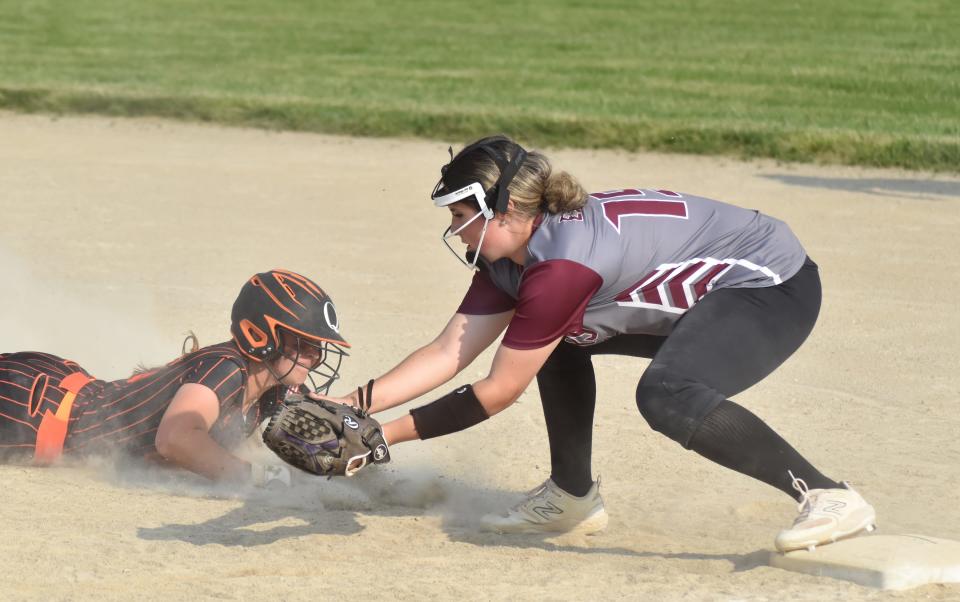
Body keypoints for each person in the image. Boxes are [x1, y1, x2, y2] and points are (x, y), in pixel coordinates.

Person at [326, 135, 877, 553]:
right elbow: (448, 352)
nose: (457, 232)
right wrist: (349, 409)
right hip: (705, 297)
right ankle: (572, 496)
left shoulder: (560, 266)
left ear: (506, 209)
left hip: (769, 286)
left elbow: (498, 390)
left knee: (669, 394)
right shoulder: (514, 258)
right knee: (554, 339)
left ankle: (827, 495)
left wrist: (380, 438)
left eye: (463, 217)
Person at [0, 268, 349, 487]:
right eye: (302, 343)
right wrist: (260, 478)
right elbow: (176, 438)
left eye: (318, 347)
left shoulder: (274, 388)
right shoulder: (226, 368)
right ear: (261, 336)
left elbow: (327, 413)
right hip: (31, 408)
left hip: (59, 392)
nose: (315, 355)